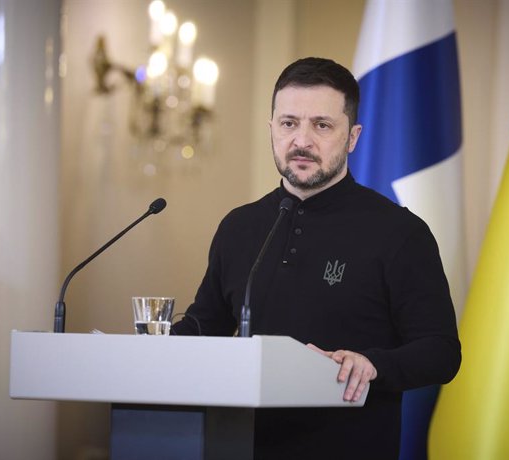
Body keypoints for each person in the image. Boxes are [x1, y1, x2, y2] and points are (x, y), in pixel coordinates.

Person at [172, 57, 461, 459]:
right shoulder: (239, 226)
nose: (302, 140)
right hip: (237, 445)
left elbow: (441, 351)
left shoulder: (400, 232)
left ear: (353, 137)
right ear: (271, 128)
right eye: (289, 123)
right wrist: (147, 347)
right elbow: (205, 328)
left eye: (322, 125)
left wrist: (371, 365)